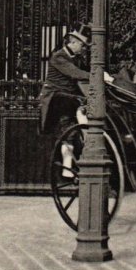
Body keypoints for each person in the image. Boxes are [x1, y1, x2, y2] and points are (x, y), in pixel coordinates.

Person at [39, 25, 91, 179]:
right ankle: (87, 136)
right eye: (82, 45)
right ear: (73, 41)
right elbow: (76, 74)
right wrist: (99, 75)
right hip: (54, 98)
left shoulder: (78, 59)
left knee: (73, 122)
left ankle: (84, 138)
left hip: (68, 99)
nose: (83, 49)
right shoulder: (58, 57)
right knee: (77, 107)